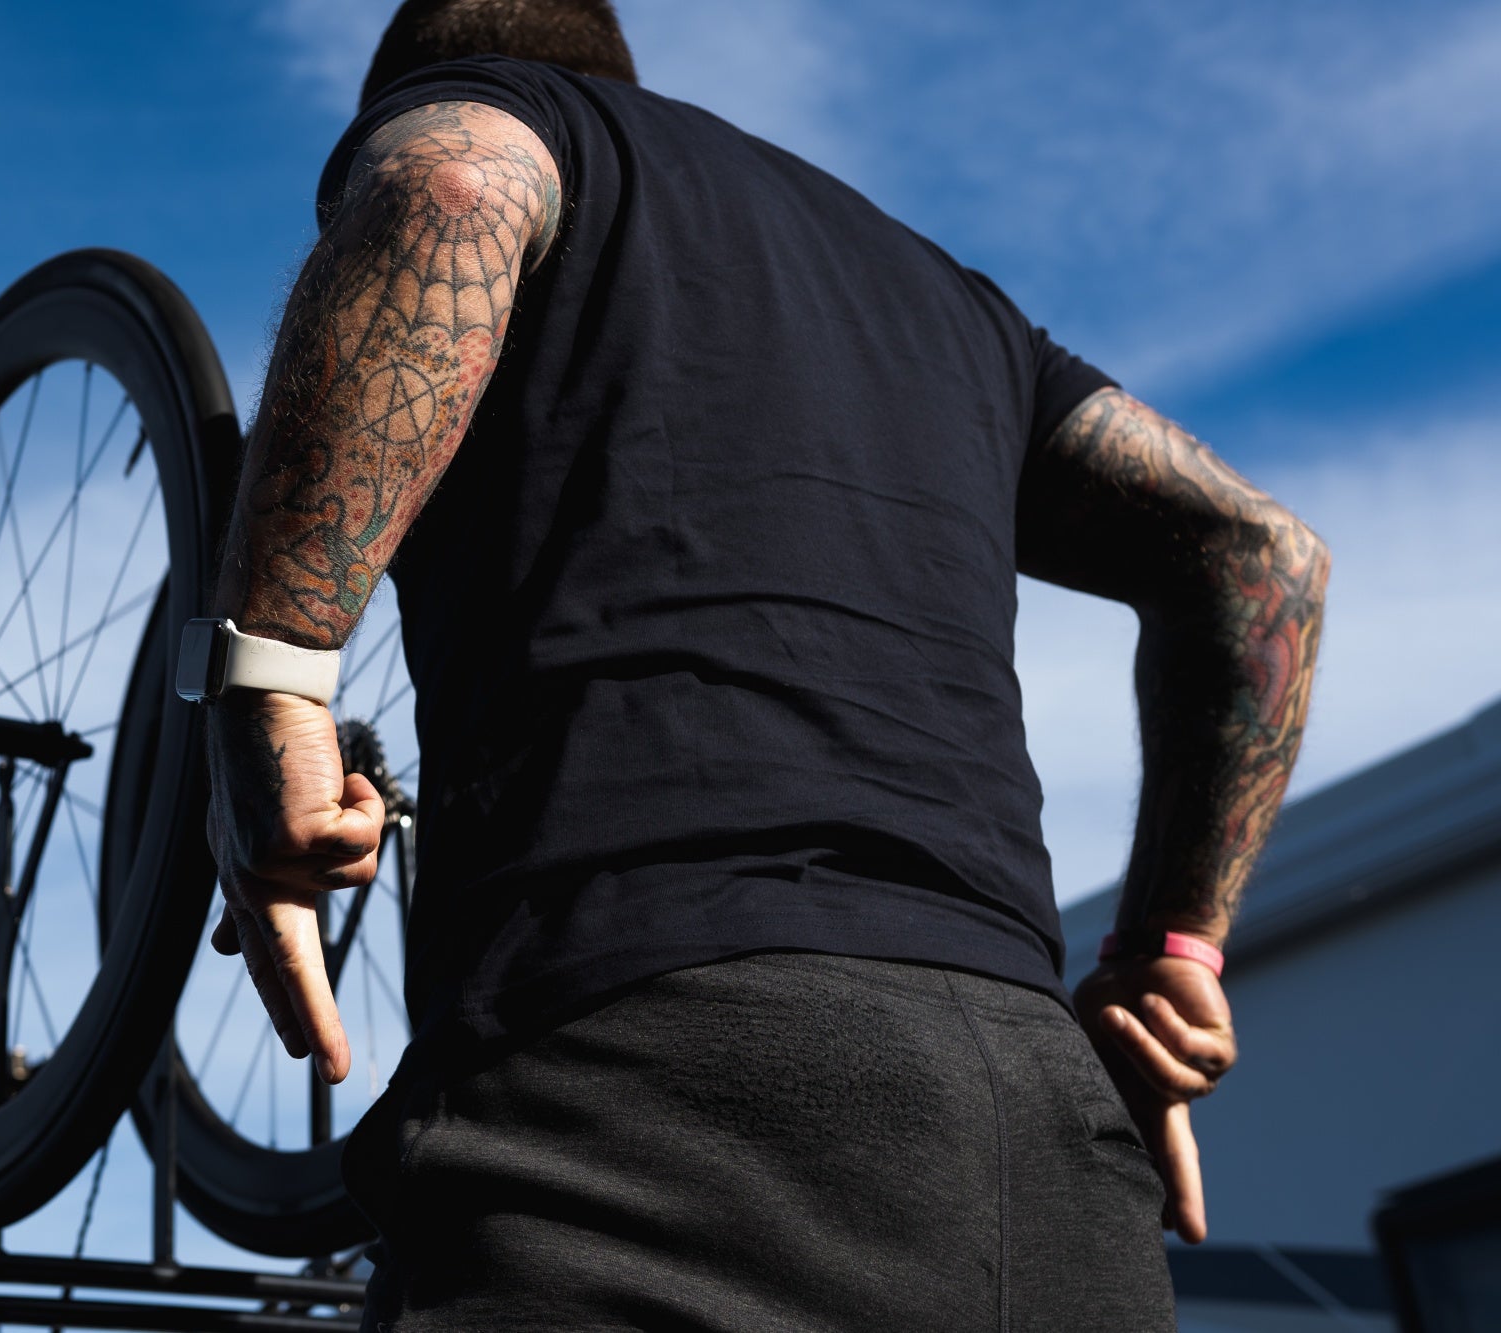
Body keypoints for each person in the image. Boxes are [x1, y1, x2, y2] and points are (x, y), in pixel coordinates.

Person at [194, 1, 1331, 1327]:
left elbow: (449, 185)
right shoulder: (945, 298)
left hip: (650, 1080)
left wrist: (270, 675)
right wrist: (1175, 953)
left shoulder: (509, 121)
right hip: (1039, 1129)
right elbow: (1262, 557)